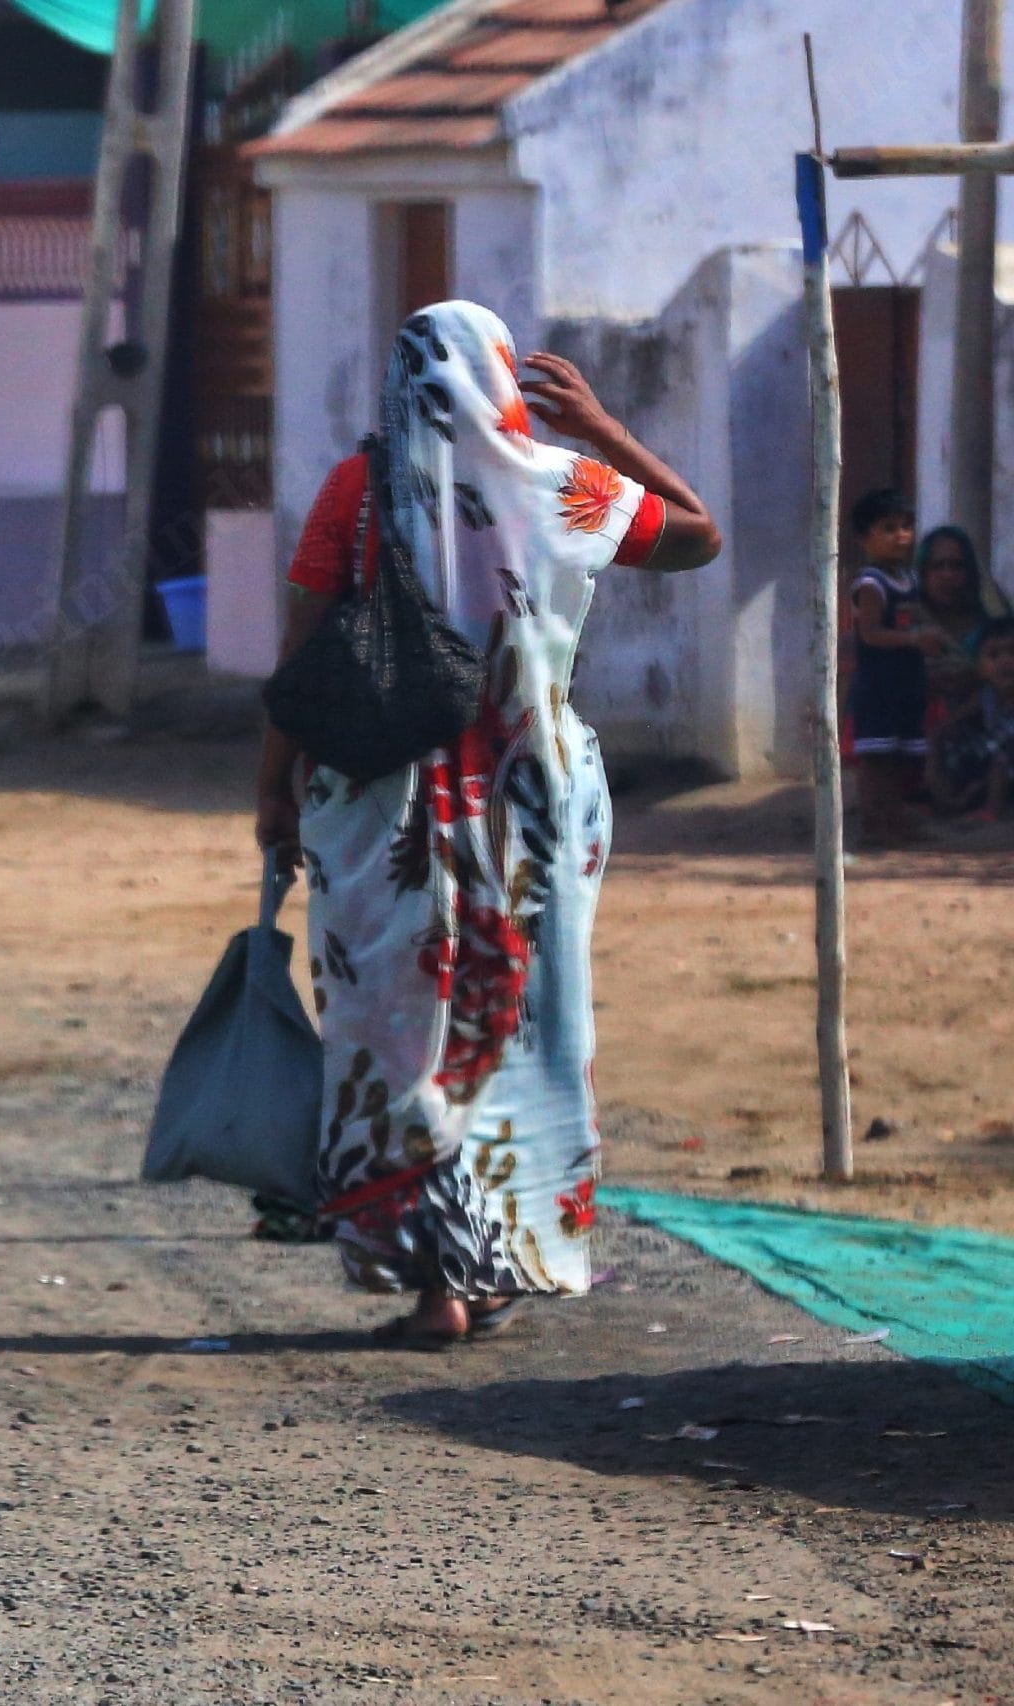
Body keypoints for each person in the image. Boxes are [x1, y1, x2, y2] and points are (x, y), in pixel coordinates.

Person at [254, 304, 721, 1348]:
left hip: (384, 802)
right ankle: (491, 1257)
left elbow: (299, 653)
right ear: (504, 377)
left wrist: (271, 790)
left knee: (401, 1025)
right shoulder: (560, 483)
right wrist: (601, 429)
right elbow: (697, 535)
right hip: (531, 809)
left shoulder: (356, 488)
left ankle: (436, 1283)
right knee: (509, 1018)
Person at [849, 492, 938, 845]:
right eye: (889, 528)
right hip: (879, 686)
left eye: (905, 527)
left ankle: (895, 820)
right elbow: (870, 634)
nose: (901, 535)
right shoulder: (871, 584)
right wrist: (914, 639)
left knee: (901, 758)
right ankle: (873, 825)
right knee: (876, 759)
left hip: (907, 683)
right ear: (864, 537)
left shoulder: (909, 579)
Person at [933, 617, 1014, 821]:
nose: (1006, 661)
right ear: (979, 666)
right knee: (943, 740)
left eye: (1013, 653)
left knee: (1002, 747)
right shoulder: (985, 695)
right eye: (994, 655)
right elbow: (954, 720)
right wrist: (944, 730)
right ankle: (941, 798)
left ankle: (992, 808)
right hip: (986, 762)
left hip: (1005, 761)